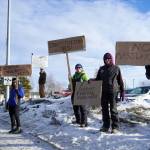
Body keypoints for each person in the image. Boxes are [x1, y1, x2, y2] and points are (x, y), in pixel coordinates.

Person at [96, 52, 124, 133]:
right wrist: (90, 81)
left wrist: (122, 91)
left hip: (113, 92)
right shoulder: (101, 69)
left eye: (109, 59)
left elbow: (120, 81)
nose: (107, 60)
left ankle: (115, 127)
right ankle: (105, 126)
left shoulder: (116, 68)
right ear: (104, 60)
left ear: (111, 59)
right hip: (104, 92)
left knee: (113, 110)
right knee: (104, 110)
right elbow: (97, 80)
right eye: (106, 59)